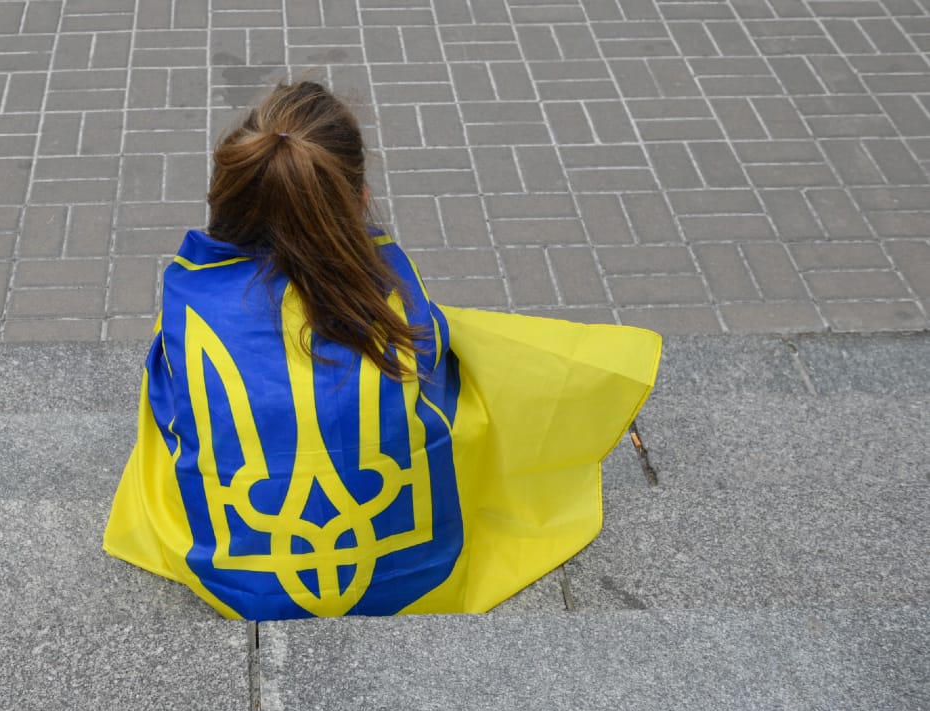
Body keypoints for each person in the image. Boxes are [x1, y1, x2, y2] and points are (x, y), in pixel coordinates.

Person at [103, 80, 661, 621]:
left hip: (241, 581)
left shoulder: (191, 300)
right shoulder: (394, 294)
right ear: (359, 200)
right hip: (414, 576)